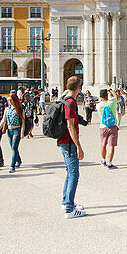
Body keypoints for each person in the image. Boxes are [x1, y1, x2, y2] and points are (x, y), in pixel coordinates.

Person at [58, 76, 86, 218]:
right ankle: (69, 209)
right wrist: (78, 146)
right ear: (79, 88)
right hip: (68, 143)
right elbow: (70, 125)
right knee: (74, 174)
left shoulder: (63, 98)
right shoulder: (70, 102)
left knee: (70, 172)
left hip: (63, 142)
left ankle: (66, 201)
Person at [0, 91, 25, 172]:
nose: (9, 102)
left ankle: (12, 166)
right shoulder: (7, 109)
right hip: (9, 131)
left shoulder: (20, 109)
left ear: (15, 100)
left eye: (11, 100)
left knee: (14, 148)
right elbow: (3, 120)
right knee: (13, 148)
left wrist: (22, 132)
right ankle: (19, 160)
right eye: (8, 100)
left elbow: (23, 122)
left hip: (17, 130)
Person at [97, 88, 119, 169]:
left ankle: (103, 160)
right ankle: (109, 163)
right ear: (107, 95)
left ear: (100, 96)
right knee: (111, 145)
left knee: (103, 144)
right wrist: (111, 90)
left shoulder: (98, 105)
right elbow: (116, 96)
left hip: (103, 126)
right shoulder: (112, 102)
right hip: (112, 126)